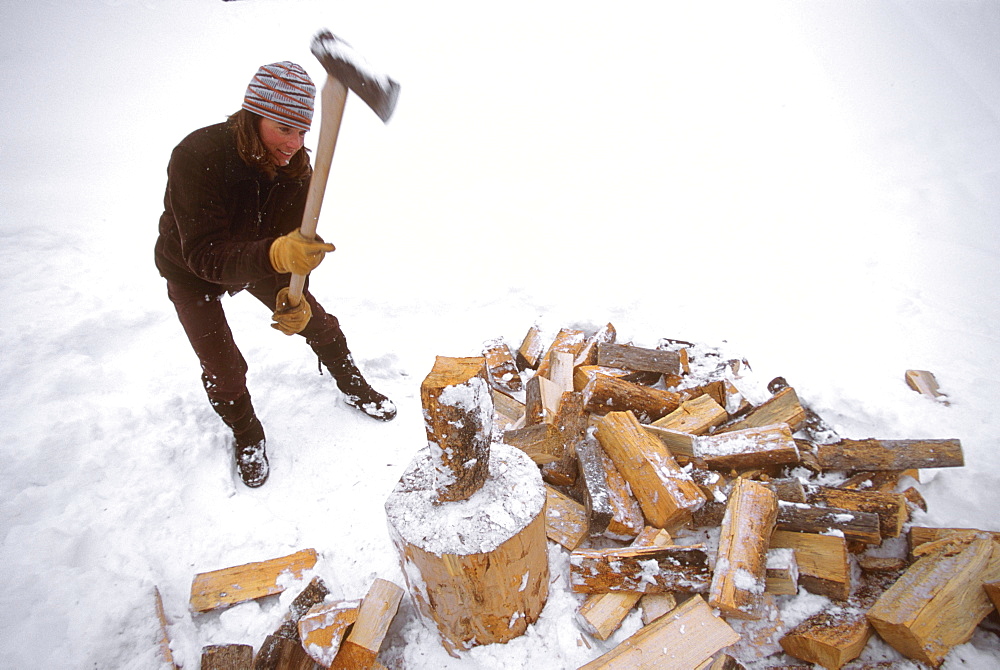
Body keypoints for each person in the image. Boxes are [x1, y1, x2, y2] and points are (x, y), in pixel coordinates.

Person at [155, 61, 396, 489]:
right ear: (253, 115)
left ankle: (353, 383)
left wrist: (295, 291)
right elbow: (206, 256)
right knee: (225, 368)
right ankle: (247, 434)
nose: (295, 143)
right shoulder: (196, 156)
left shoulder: (296, 167)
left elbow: (290, 240)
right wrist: (278, 252)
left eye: (302, 131)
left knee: (318, 323)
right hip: (193, 270)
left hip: (258, 258)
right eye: (285, 128)